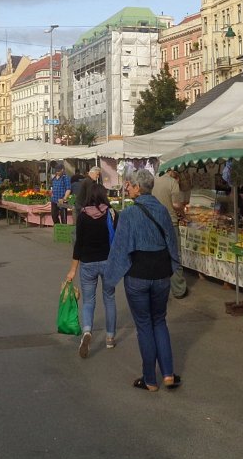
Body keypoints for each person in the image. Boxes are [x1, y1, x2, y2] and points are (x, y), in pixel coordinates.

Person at [105, 168, 181, 392]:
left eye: (129, 184)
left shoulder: (128, 214)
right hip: (161, 274)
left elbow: (119, 249)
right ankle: (168, 373)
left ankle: (150, 379)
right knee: (160, 321)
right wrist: (173, 267)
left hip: (138, 275)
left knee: (145, 325)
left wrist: (110, 278)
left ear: (138, 188)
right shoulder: (163, 211)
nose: (127, 187)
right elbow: (171, 242)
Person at [65, 188, 117, 358]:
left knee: (88, 301)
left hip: (87, 263)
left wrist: (73, 269)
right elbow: (117, 239)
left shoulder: (83, 216)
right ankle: (110, 338)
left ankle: (87, 331)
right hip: (108, 262)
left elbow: (78, 244)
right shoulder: (111, 214)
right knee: (109, 299)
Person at [152, 167, 188, 298]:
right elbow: (176, 204)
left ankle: (157, 288)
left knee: (157, 255)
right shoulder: (172, 183)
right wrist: (183, 213)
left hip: (154, 222)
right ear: (174, 173)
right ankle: (178, 290)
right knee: (174, 255)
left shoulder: (153, 180)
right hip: (170, 223)